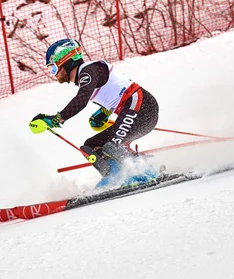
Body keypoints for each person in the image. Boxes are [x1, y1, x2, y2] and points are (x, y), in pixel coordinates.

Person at [30, 39, 160, 189]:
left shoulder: (88, 71)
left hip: (143, 108)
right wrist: (103, 114)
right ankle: (114, 174)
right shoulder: (88, 75)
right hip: (134, 109)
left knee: (112, 145)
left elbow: (82, 99)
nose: (54, 74)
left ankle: (146, 171)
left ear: (66, 61)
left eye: (53, 69)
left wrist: (57, 119)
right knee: (91, 146)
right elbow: (116, 92)